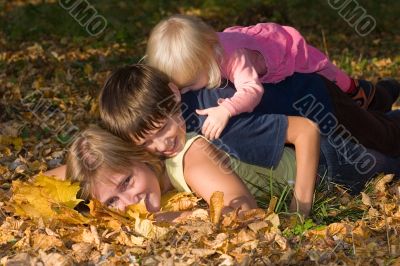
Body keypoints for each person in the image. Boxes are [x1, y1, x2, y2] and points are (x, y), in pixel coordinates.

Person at [146, 14, 381, 140]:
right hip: (249, 47)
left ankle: (360, 91)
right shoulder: (199, 54)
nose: (187, 89)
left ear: (207, 57)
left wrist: (226, 109)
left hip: (286, 50)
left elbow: (251, 90)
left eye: (190, 83)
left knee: (329, 74)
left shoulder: (234, 58)